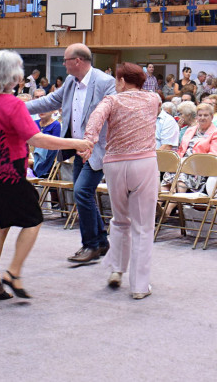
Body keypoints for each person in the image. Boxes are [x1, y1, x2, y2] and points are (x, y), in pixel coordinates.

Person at [0, 50, 91, 302]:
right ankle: (13, 272)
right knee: (33, 220)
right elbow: (37, 138)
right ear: (12, 74)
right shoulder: (13, 104)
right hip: (8, 172)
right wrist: (76, 143)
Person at [25, 43, 116, 264]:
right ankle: (102, 241)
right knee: (84, 193)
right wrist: (19, 107)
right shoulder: (69, 81)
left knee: (81, 192)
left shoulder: (105, 82)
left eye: (65, 60)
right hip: (76, 148)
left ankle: (90, 245)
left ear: (77, 61)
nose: (63, 64)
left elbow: (113, 114)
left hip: (97, 149)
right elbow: (51, 101)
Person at [82, 63, 161, 299]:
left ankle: (117, 269)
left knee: (119, 220)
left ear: (123, 81)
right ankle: (139, 287)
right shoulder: (153, 98)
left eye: (116, 80)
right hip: (144, 163)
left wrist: (88, 143)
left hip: (114, 163)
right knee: (143, 227)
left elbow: (95, 119)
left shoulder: (111, 101)